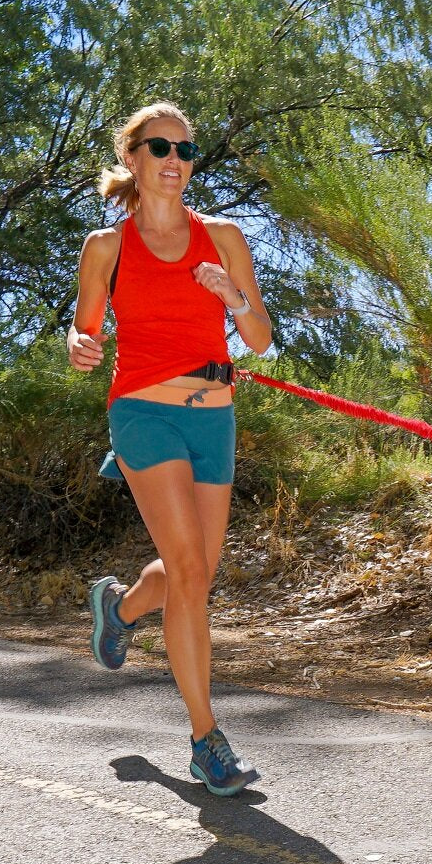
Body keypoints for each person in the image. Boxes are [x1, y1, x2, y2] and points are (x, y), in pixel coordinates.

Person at [67, 101, 272, 796]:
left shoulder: (223, 236)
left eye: (186, 150)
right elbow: (84, 332)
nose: (175, 161)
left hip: (213, 418)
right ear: (133, 158)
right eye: (160, 148)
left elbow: (260, 339)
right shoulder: (106, 246)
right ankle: (204, 739)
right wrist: (80, 346)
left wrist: (231, 296)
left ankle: (120, 610)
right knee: (188, 567)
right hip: (143, 413)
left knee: (196, 574)